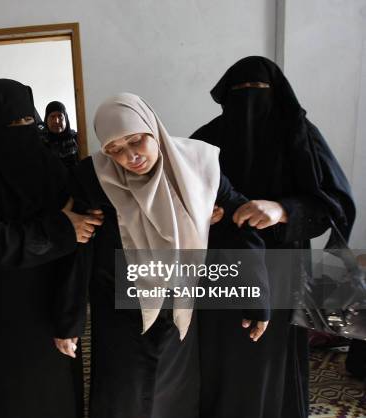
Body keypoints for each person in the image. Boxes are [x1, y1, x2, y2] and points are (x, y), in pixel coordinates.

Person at [56, 92, 271, 418]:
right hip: (119, 302)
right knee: (121, 393)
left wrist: (258, 300)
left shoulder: (197, 166)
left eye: (135, 141)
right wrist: (69, 321)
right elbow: (79, 250)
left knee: (174, 391)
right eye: (115, 149)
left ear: (153, 129)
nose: (129, 156)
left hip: (178, 299)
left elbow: (241, 224)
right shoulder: (94, 177)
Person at [191, 56, 355, 418]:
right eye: (240, 92)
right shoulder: (206, 139)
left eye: (258, 91)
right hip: (222, 264)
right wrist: (201, 213)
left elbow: (335, 202)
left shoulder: (299, 134)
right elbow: (179, 192)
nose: (249, 102)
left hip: (282, 266)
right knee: (220, 357)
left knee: (272, 361)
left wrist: (282, 210)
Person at [0, 79, 102, 418]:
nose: (20, 131)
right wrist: (61, 229)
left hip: (50, 300)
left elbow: (80, 242)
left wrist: (70, 319)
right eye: (10, 124)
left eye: (25, 122)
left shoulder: (53, 167)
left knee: (59, 388)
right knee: (13, 389)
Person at [41, 100, 79, 167]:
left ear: (66, 119)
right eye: (52, 117)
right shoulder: (41, 142)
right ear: (46, 120)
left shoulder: (77, 139)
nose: (56, 121)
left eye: (60, 116)